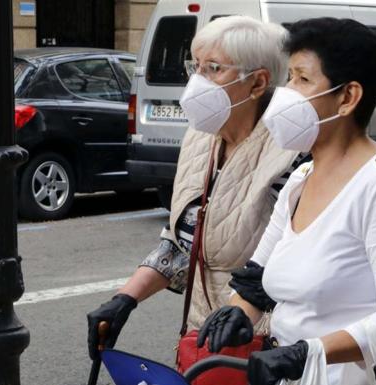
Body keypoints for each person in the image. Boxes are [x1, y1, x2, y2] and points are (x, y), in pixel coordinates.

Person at [197, 17, 376, 385]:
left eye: (303, 79)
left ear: (348, 97)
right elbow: (259, 274)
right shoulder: (301, 179)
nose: (287, 91)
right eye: (288, 77)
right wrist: (239, 312)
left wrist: (311, 351)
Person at [87, 16, 310, 359]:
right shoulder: (199, 139)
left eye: (214, 69)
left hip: (266, 344)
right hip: (202, 335)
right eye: (196, 66)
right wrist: (125, 299)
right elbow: (181, 241)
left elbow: (291, 262)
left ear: (257, 82)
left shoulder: (290, 154)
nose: (197, 81)